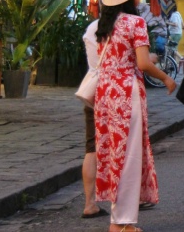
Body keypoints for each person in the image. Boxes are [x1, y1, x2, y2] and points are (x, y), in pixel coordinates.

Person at [95, 0, 177, 232]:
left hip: (105, 92)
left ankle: (118, 219)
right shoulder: (134, 23)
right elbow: (142, 62)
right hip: (125, 92)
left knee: (111, 153)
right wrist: (165, 78)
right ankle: (122, 222)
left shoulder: (103, 26)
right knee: (129, 155)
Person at [81, 18, 106, 219]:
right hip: (117, 91)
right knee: (123, 145)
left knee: (92, 147)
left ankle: (89, 203)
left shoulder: (93, 27)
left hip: (94, 88)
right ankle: (126, 199)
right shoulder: (125, 24)